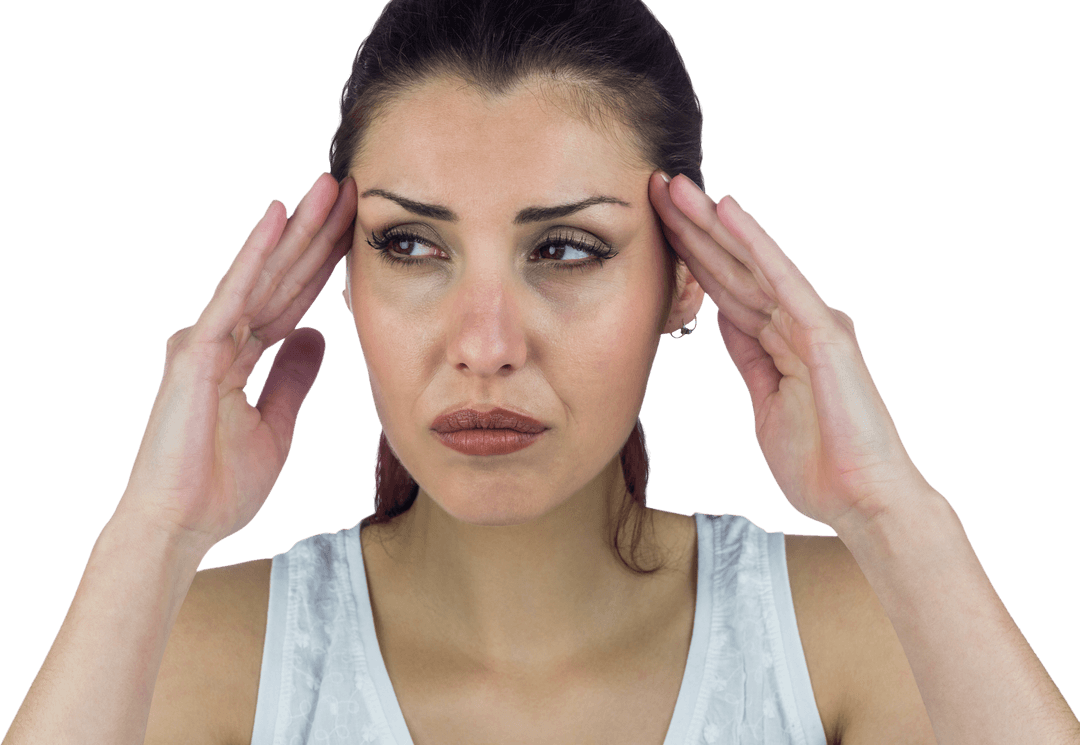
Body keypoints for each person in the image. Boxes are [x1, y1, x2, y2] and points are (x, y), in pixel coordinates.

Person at [5, 0, 1078, 743]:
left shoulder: (850, 630)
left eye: (564, 249)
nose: (484, 342)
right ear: (343, 275)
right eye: (412, 246)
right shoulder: (206, 648)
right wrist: (154, 532)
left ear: (689, 280)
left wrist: (892, 512)